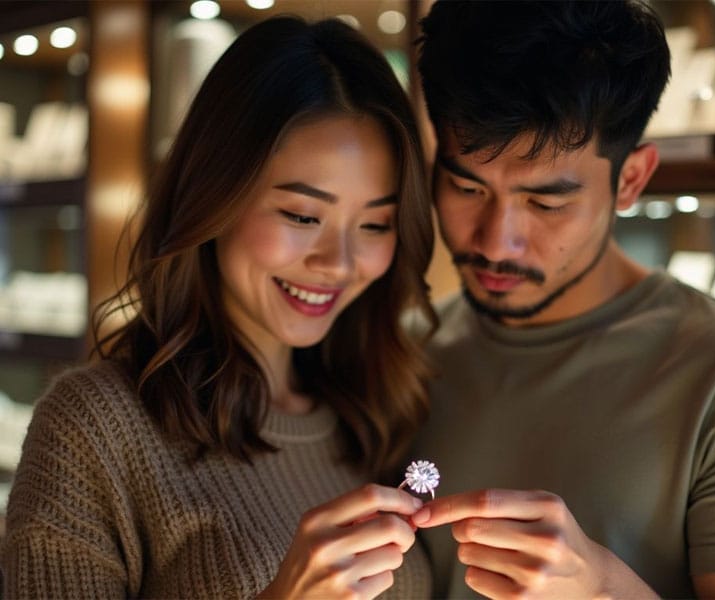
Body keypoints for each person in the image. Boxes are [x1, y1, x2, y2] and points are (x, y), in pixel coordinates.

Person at [1, 16, 437, 599]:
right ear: (214, 197)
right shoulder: (96, 429)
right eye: (303, 216)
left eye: (376, 224)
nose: (338, 262)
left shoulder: (376, 410)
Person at [408, 1, 715, 598]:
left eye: (546, 203)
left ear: (633, 180)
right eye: (466, 186)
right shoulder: (407, 347)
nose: (495, 240)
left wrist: (600, 588)